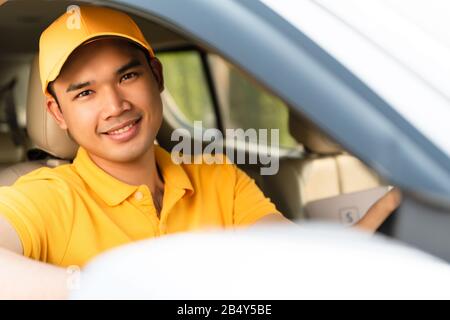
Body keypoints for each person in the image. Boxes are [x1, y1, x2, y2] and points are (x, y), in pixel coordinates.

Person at [0, 6, 401, 299]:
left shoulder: (215, 175)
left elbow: (294, 264)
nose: (115, 105)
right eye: (85, 92)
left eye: (127, 76)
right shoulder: (48, 195)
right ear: (58, 112)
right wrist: (100, 287)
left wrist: (388, 215)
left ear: (156, 77)